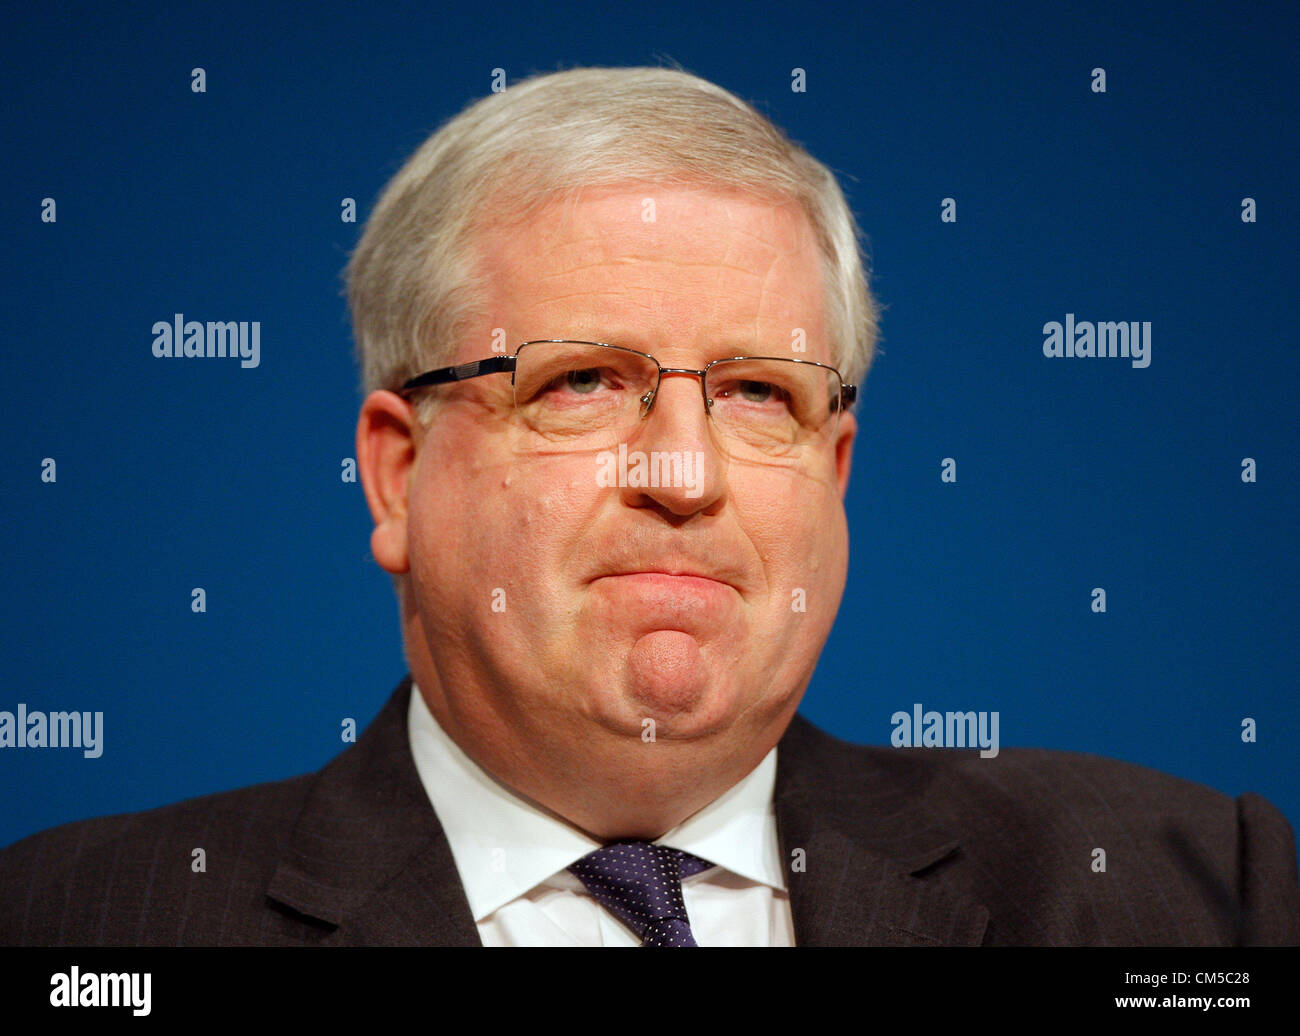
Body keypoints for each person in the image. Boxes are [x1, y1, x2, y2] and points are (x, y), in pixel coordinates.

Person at [1, 66, 1296, 947]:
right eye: (580, 382)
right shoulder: (79, 924)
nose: (685, 476)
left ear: (835, 474)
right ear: (399, 470)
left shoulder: (1189, 893)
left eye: (757, 394)